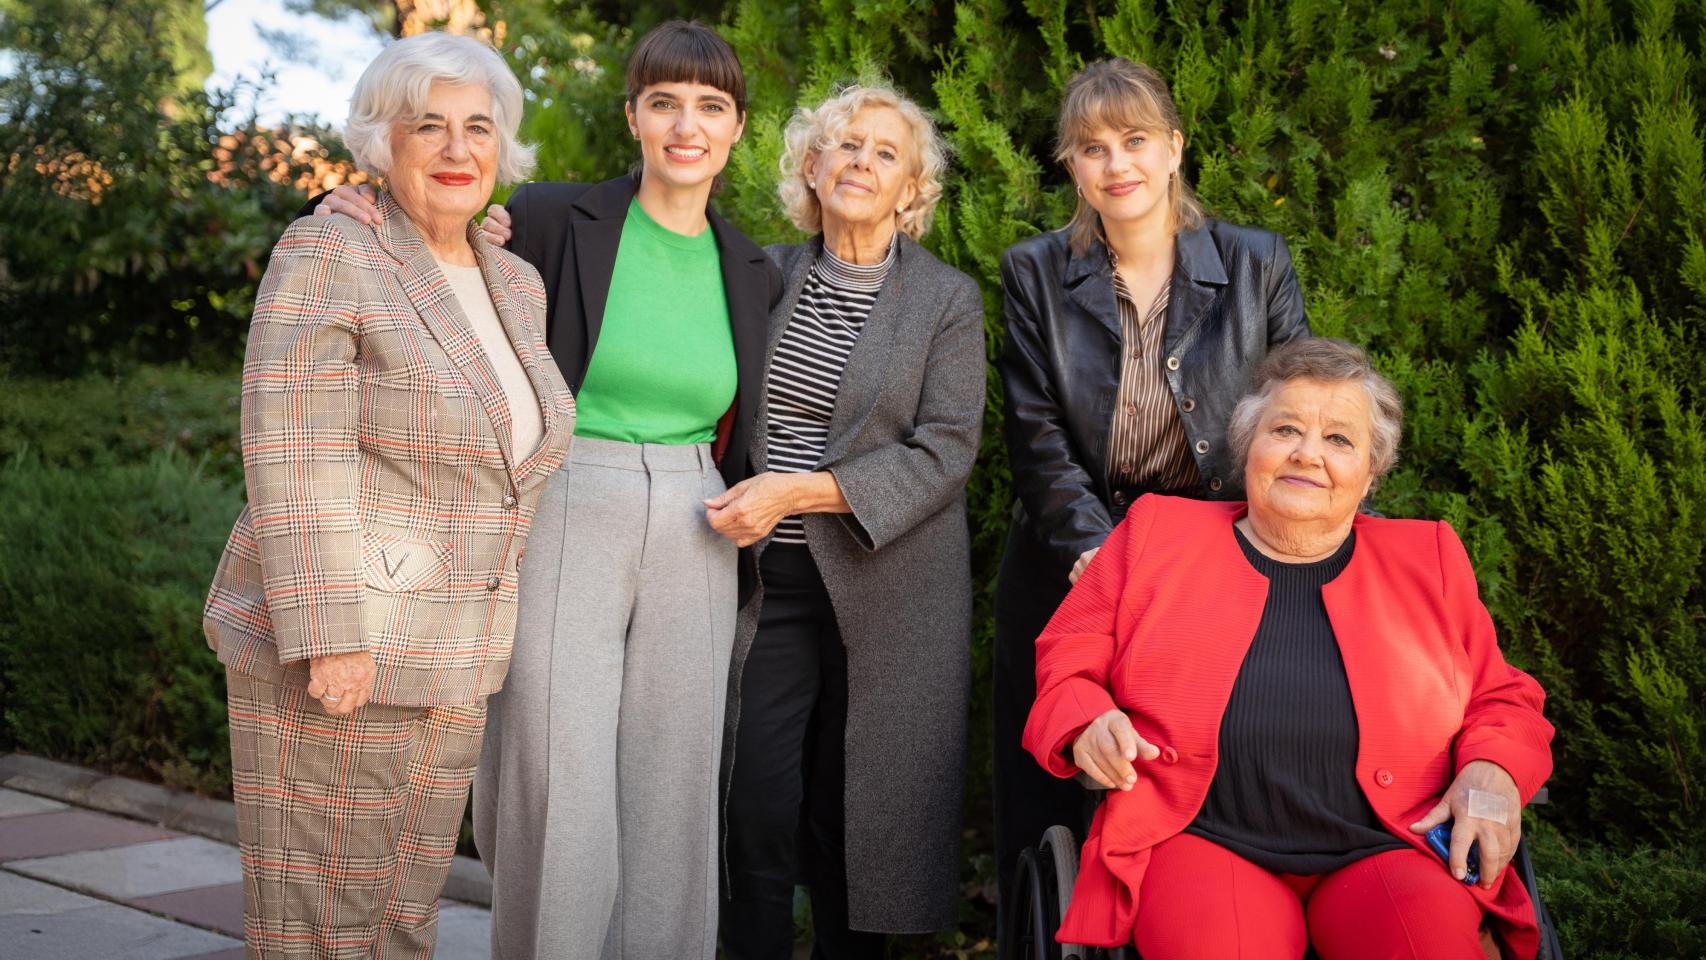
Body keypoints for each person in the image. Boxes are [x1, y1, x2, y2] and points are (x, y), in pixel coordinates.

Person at [315, 19, 781, 960]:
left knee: (673, 788)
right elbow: (437, 225)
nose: (686, 126)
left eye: (710, 107)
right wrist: (352, 205)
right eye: (664, 104)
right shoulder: (555, 215)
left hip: (700, 522)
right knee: (556, 777)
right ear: (634, 118)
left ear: (736, 128)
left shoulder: (754, 267)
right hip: (570, 498)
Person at [202, 31, 574, 960]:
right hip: (343, 651)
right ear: (382, 143)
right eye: (429, 127)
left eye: (478, 127)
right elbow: (291, 450)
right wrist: (330, 638)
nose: (458, 150)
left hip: (456, 659)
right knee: (318, 929)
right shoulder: (331, 251)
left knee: (403, 922)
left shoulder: (513, 280)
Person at [1022, 337, 1554, 959]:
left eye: (1339, 440)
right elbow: (1067, 657)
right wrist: (1088, 719)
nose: (1308, 454)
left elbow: (1502, 696)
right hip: (1201, 838)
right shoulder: (1156, 533)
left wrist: (1491, 772)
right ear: (1249, 445)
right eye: (1286, 429)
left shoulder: (1427, 555)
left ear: (1371, 471)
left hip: (1391, 843)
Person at [991, 57, 1311, 950]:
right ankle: (1049, 937)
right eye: (1091, 148)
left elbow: (1292, 409)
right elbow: (1036, 434)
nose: (1115, 163)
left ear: (1173, 149)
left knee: (1196, 768)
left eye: (1134, 141)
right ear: (1072, 167)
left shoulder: (1255, 261)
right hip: (1070, 554)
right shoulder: (1033, 273)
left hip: (1215, 556)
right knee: (1057, 782)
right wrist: (1097, 553)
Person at [705, 83, 985, 958]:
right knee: (752, 803)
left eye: (885, 152)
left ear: (911, 189)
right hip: (767, 586)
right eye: (846, 146)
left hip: (891, 588)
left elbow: (945, 448)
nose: (862, 162)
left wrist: (795, 491)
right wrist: (504, 237)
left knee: (858, 816)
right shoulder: (758, 275)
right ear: (812, 168)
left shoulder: (945, 299)